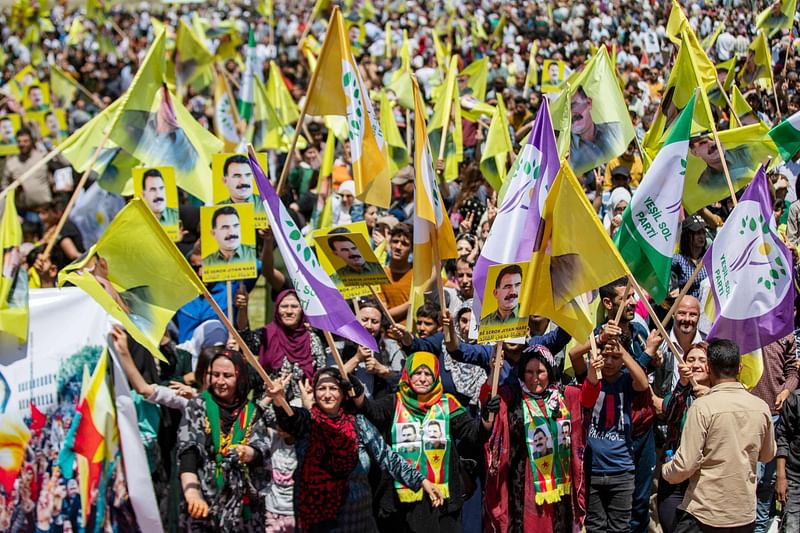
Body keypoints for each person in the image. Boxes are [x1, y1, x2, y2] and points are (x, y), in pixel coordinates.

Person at [265, 366, 444, 532]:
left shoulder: (358, 423)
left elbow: (387, 457)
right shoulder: (307, 422)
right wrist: (279, 399)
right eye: (321, 388)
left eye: (333, 388)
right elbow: (290, 419)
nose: (327, 395)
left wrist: (422, 481)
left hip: (358, 521)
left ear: (343, 393)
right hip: (317, 523)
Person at [355, 351, 482, 532]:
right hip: (403, 504)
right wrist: (357, 392)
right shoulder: (394, 402)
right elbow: (371, 411)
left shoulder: (448, 403)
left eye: (428, 374)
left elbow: (474, 434)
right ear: (407, 375)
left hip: (442, 502)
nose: (422, 379)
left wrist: (486, 420)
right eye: (417, 373)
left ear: (436, 377)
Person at [662, 340, 776, 532]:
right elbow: (767, 455)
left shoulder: (703, 407)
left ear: (709, 367)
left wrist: (667, 470)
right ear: (740, 367)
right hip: (743, 514)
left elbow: (685, 465)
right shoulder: (761, 407)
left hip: (705, 514)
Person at [481, 345, 585, 532]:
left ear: (550, 371)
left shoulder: (564, 395)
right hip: (523, 481)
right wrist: (492, 373)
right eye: (529, 372)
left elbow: (589, 395)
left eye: (540, 371)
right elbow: (488, 409)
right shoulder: (510, 396)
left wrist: (593, 366)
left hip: (558, 484)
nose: (535, 377)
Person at [177, 349, 270, 532]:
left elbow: (262, 448)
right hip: (204, 499)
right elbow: (188, 450)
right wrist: (192, 493)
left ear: (240, 377)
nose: (220, 381)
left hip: (241, 506)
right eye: (215, 374)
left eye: (227, 376)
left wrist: (247, 453)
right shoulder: (197, 406)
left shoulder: (251, 412)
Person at [581, 335, 650, 533]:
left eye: (615, 356)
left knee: (620, 528)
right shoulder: (591, 378)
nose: (610, 362)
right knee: (595, 526)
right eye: (606, 355)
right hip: (593, 470)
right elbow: (574, 354)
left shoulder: (627, 381)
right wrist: (598, 341)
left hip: (622, 470)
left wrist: (624, 352)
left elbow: (644, 384)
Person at [657, 343, 712, 532]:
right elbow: (669, 414)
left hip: (704, 482)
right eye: (690, 360)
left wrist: (711, 396)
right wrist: (682, 384)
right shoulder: (680, 395)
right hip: (675, 478)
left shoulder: (719, 398)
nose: (695, 365)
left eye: (702, 360)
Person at [237, 289, 326, 404]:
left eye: (294, 306)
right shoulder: (267, 334)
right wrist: (242, 309)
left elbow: (321, 372)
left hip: (302, 407)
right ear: (277, 309)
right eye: (284, 306)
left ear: (302, 310)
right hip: (268, 404)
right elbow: (246, 339)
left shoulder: (312, 339)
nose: (289, 311)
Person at [750, 334, 798, 533]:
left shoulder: (786, 335)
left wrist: (786, 391)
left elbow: (793, 371)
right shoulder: (745, 326)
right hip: (748, 416)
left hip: (776, 415)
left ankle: (760, 528)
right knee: (749, 480)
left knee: (766, 485)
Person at [568, 87, 626, 175]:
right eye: (566, 110)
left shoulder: (615, 131)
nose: (571, 113)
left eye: (573, 105)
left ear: (589, 103)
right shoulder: (565, 149)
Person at [379, 223, 413, 322]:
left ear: (411, 249)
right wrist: (413, 302)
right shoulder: (380, 275)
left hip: (417, 334)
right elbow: (385, 314)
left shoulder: (419, 273)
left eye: (404, 244)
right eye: (395, 241)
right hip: (391, 335)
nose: (398, 247)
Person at [672, 216, 708, 299]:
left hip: (707, 309)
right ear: (687, 236)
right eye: (698, 233)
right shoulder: (678, 260)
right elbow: (664, 275)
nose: (702, 236)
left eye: (703, 232)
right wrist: (674, 288)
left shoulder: (710, 258)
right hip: (688, 308)